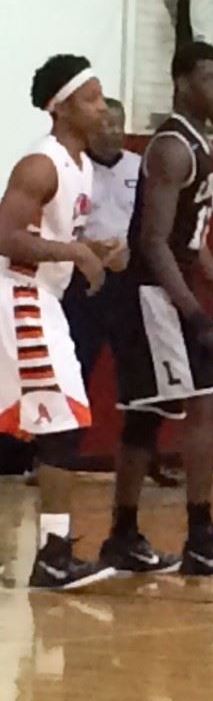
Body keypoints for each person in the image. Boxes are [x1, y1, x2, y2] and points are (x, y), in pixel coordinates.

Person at [102, 41, 213, 577]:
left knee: (146, 416)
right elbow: (152, 243)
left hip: (165, 291)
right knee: (206, 400)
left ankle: (124, 536)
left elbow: (191, 245)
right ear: (182, 83)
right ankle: (199, 538)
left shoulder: (199, 144)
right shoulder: (173, 148)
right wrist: (195, 315)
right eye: (210, 79)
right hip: (150, 295)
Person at [0, 54, 120, 589]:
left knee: (37, 424)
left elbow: (51, 238)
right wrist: (76, 252)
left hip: (40, 295)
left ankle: (52, 552)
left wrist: (93, 249)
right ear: (63, 107)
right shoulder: (40, 164)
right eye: (91, 99)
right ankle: (52, 554)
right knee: (61, 423)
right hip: (19, 294)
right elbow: (4, 237)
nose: (102, 108)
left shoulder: (82, 167)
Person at [60, 98, 178, 489]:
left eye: (118, 124)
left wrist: (130, 251)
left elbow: (154, 224)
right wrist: (88, 250)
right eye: (104, 124)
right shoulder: (72, 168)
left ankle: (147, 459)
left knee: (142, 375)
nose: (111, 131)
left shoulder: (140, 167)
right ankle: (57, 460)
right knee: (74, 369)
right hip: (85, 282)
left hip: (130, 282)